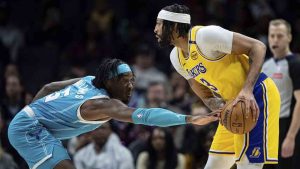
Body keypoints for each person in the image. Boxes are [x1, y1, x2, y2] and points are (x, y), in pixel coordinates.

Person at [7, 58, 218, 169]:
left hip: (30, 125)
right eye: (126, 81)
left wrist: (31, 112)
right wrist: (188, 118)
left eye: (133, 80)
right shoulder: (101, 105)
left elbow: (48, 87)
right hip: (30, 130)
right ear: (109, 81)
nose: (132, 86)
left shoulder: (90, 80)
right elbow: (146, 115)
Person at [154, 4, 280, 169]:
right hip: (231, 106)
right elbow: (201, 90)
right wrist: (217, 106)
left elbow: (258, 47)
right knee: (215, 164)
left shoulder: (206, 36)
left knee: (247, 165)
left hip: (257, 94)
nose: (155, 29)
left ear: (175, 26)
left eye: (159, 23)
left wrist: (247, 90)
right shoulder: (176, 58)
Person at [262, 19, 300, 169]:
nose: (275, 40)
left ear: (289, 37)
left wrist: (291, 137)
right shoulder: (265, 65)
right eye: (272, 36)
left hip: (289, 127)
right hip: (268, 129)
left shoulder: (296, 64)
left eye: (280, 36)